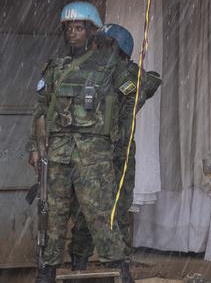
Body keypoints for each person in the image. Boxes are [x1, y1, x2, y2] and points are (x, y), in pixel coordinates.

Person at [26, 2, 133, 283]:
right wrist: (35, 147)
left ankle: (120, 268)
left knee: (101, 212)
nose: (73, 33)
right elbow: (40, 109)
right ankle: (47, 270)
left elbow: (134, 94)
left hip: (94, 153)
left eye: (79, 28)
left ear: (91, 31)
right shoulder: (55, 68)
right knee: (53, 214)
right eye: (69, 29)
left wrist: (117, 130)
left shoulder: (110, 64)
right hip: (58, 152)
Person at [68, 24, 161, 270]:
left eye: (105, 45)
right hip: (100, 152)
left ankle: (109, 262)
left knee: (107, 207)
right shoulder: (99, 72)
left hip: (110, 152)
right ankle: (93, 260)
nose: (98, 48)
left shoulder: (122, 75)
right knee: (94, 208)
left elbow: (148, 84)